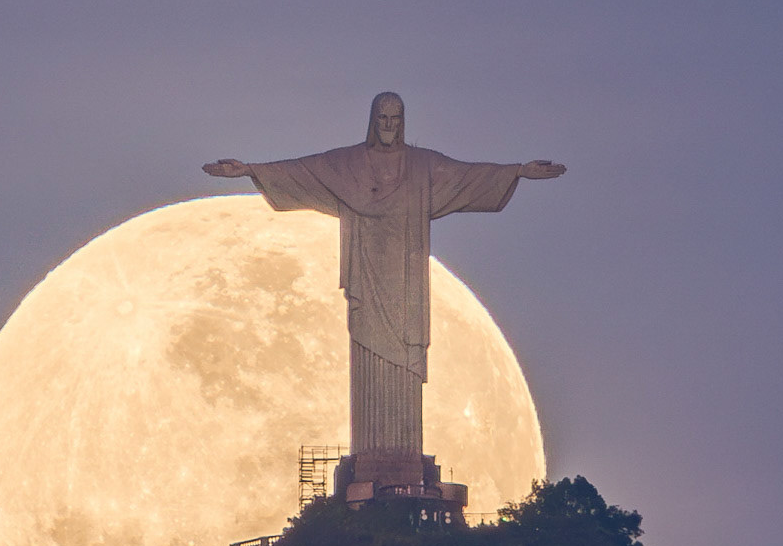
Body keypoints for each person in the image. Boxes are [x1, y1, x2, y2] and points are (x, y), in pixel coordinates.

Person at [204, 92, 563, 456]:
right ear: (373, 121)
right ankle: (373, 460)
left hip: (407, 282)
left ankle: (400, 460)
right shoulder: (348, 165)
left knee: (404, 355)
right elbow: (304, 170)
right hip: (367, 273)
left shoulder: (423, 167)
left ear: (403, 121)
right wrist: (250, 169)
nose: (389, 126)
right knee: (368, 348)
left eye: (395, 118)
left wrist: (518, 171)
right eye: (383, 118)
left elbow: (468, 176)